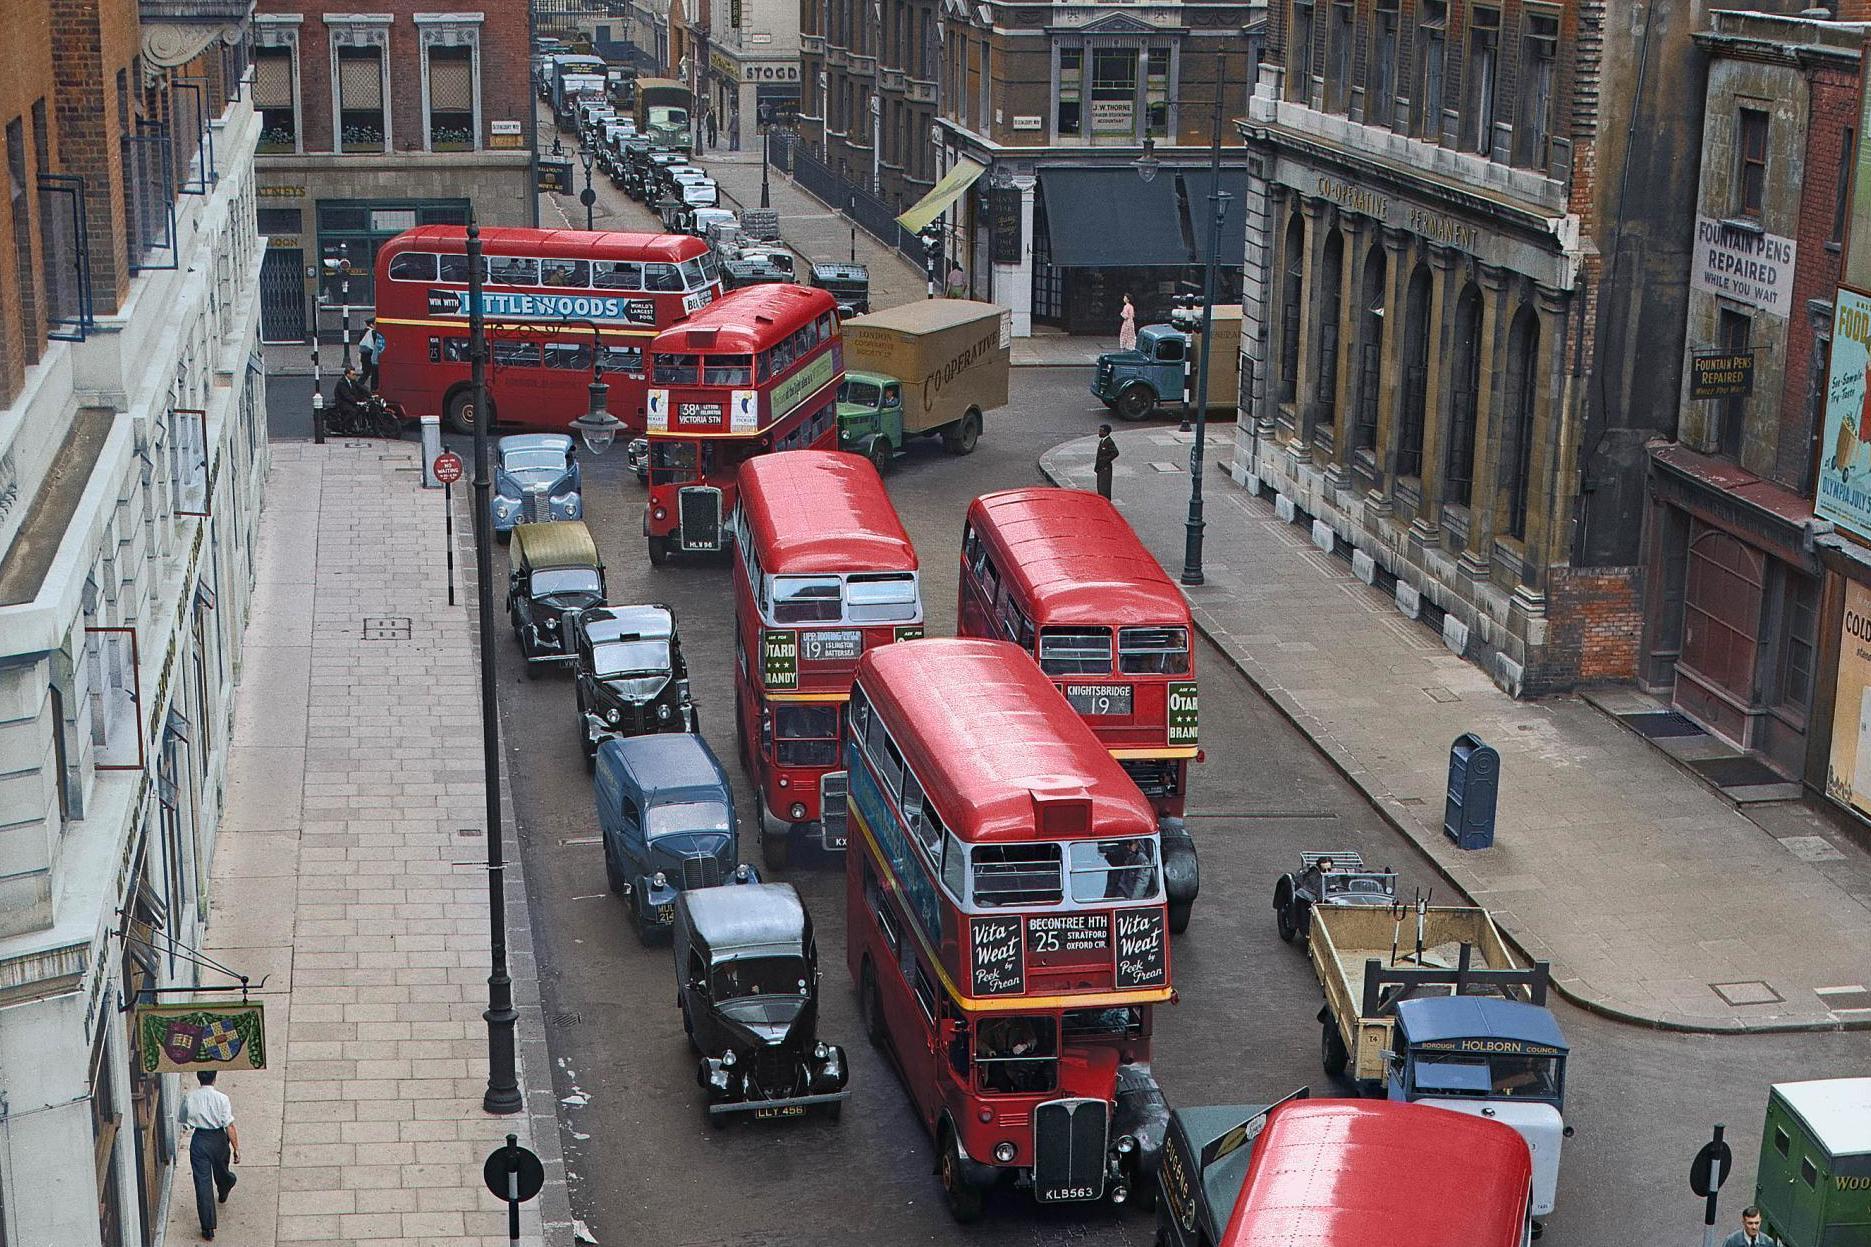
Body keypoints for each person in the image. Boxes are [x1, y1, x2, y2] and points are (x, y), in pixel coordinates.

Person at [182, 1070, 240, 1240]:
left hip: (199, 1140)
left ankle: (207, 1227)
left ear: (198, 1078)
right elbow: (229, 1125)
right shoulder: (222, 1099)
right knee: (221, 1170)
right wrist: (236, 1148)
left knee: (202, 1183)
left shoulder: (190, 1098)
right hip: (218, 1139)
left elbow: (184, 1122)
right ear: (215, 1078)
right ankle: (226, 1184)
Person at [358, 319, 386, 389]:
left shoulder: (363, 332)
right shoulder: (372, 332)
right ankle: (358, 386)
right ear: (371, 324)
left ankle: (358, 386)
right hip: (370, 356)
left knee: (366, 372)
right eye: (375, 323)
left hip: (363, 355)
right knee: (370, 373)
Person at [1094, 424, 1118, 500]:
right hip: (1101, 468)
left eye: (1101, 431)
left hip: (1105, 468)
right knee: (1100, 487)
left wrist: (1106, 460)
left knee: (1105, 487)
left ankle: (1106, 502)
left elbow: (1115, 453)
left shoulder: (1109, 442)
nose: (1099, 433)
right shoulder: (1102, 441)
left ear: (1105, 432)